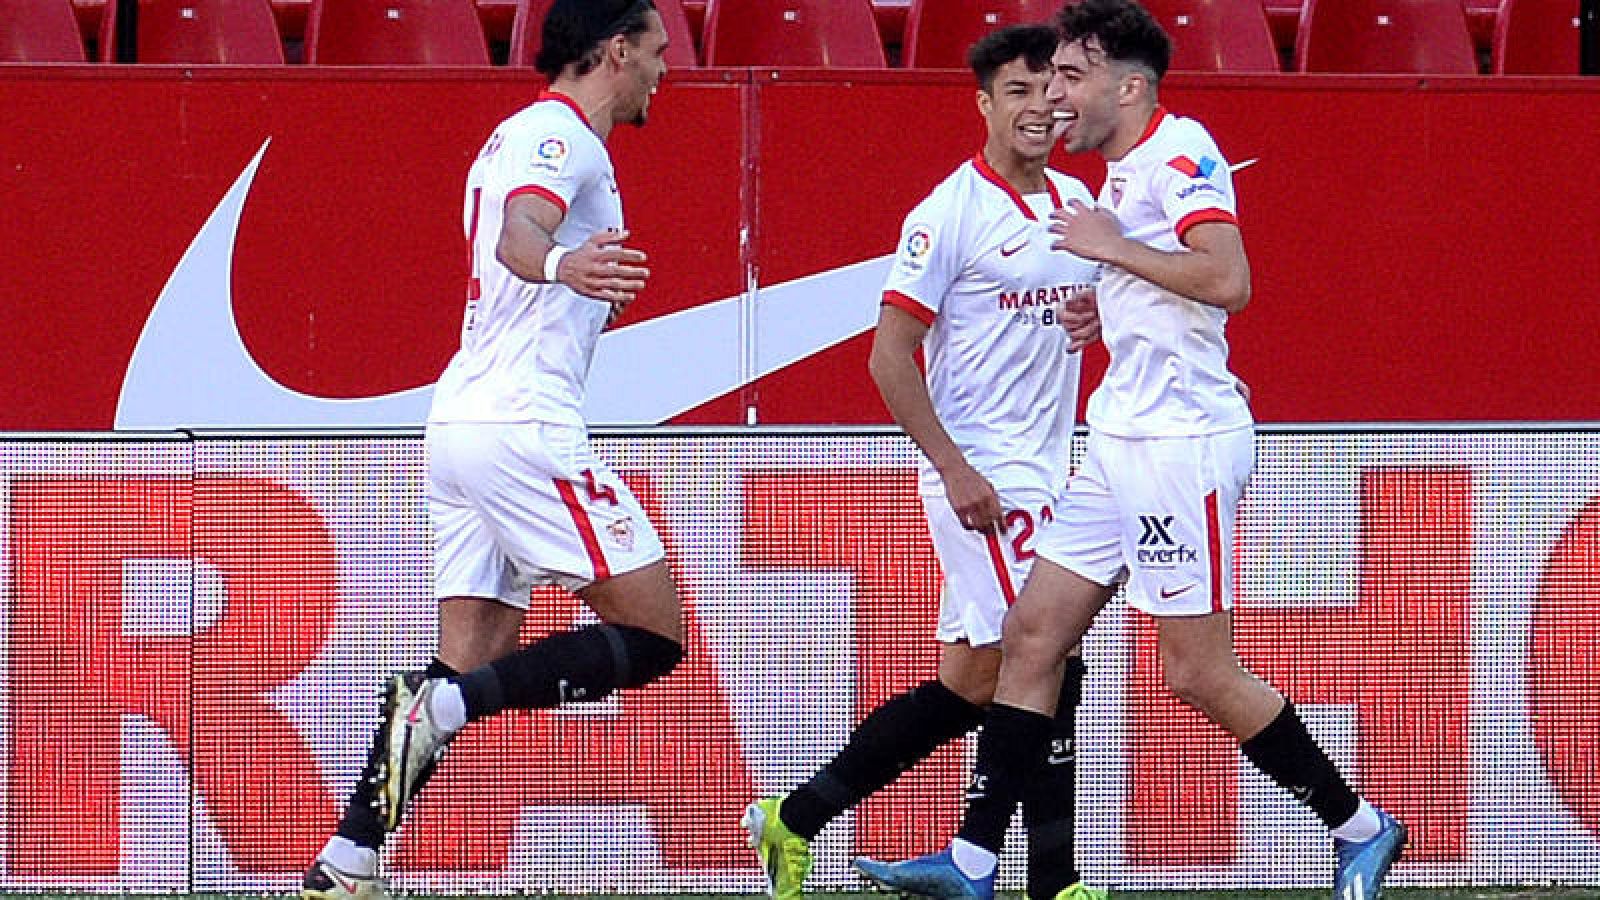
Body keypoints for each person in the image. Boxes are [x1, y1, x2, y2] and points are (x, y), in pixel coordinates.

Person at [853, 2, 1407, 900]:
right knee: (1032, 634)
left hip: (1177, 446)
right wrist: (1104, 301)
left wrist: (1114, 252)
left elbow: (1227, 277)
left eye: (1072, 77)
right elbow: (1161, 285)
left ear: (1129, 86)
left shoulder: (1180, 152)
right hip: (1116, 438)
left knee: (1195, 670)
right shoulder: (1114, 176)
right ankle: (972, 863)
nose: (1056, 98)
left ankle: (1361, 826)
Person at [301, 2, 680, 897]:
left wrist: (577, 286)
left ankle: (350, 859)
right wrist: (564, 267)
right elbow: (520, 234)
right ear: (616, 50)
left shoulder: (517, 135)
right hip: (522, 424)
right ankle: (446, 707)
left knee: (470, 652)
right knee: (654, 631)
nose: (666, 70)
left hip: (463, 420)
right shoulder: (562, 136)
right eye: (657, 52)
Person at [742, 25, 1106, 900]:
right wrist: (952, 468)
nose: (1038, 108)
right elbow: (889, 355)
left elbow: (1090, 309)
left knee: (974, 681)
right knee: (1048, 656)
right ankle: (1053, 882)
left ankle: (794, 817)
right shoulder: (947, 215)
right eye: (1016, 92)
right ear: (983, 104)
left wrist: (1099, 316)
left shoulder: (1074, 202)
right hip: (985, 478)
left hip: (1047, 469)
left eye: (1049, 90)